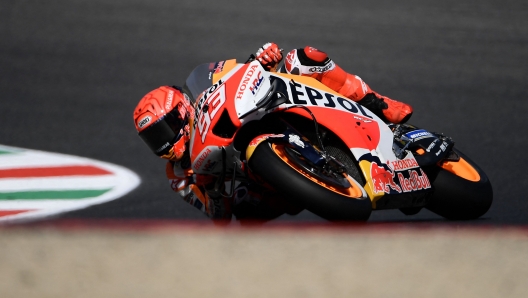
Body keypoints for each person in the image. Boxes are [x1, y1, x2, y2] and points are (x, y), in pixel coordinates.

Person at [133, 42, 413, 223]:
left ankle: (379, 105)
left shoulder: (207, 81)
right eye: (153, 139)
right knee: (244, 210)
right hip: (265, 182)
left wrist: (261, 59)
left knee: (303, 58)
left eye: (163, 130)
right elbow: (217, 216)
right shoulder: (179, 176)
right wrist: (213, 192)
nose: (163, 143)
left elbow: (240, 73)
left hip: (271, 111)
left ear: (181, 111)